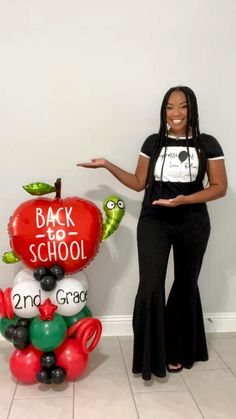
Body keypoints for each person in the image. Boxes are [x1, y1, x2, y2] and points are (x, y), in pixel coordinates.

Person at [77, 86, 227, 380]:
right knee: (150, 287)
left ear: (192, 109)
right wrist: (107, 164)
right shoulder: (153, 142)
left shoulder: (208, 144)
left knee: (185, 285)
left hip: (193, 221)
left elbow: (219, 187)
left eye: (182, 107)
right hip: (154, 220)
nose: (176, 114)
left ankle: (175, 349)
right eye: (169, 108)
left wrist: (185, 200)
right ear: (163, 111)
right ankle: (151, 357)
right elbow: (137, 182)